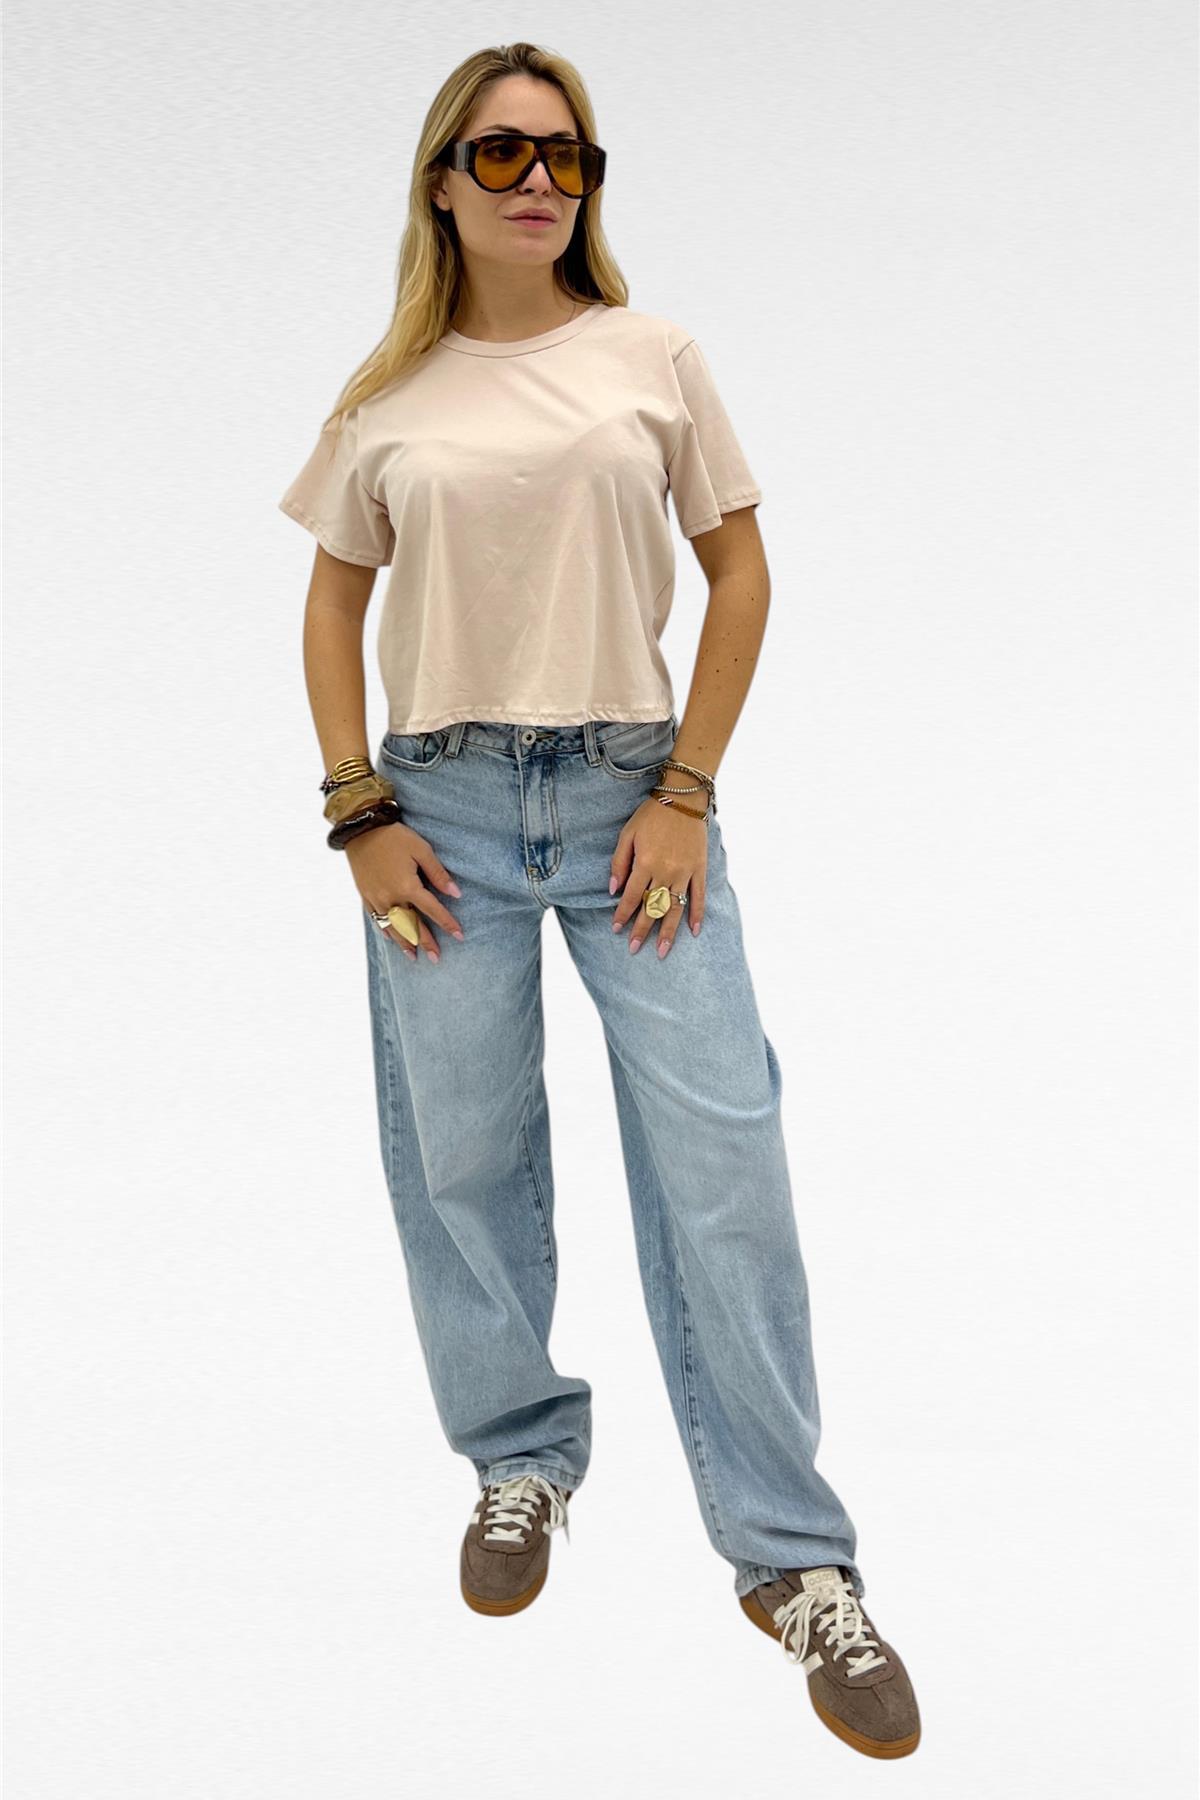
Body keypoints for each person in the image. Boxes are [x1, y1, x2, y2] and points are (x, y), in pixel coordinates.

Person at [277, 41, 920, 1761]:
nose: (541, 180)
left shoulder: (654, 357)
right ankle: (519, 1459)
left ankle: (793, 1559)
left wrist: (687, 791)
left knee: (726, 1160)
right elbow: (333, 604)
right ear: (442, 182)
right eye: (502, 153)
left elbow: (740, 570)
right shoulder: (387, 394)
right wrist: (356, 811)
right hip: (441, 814)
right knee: (464, 1150)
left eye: (567, 154)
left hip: (636, 800)